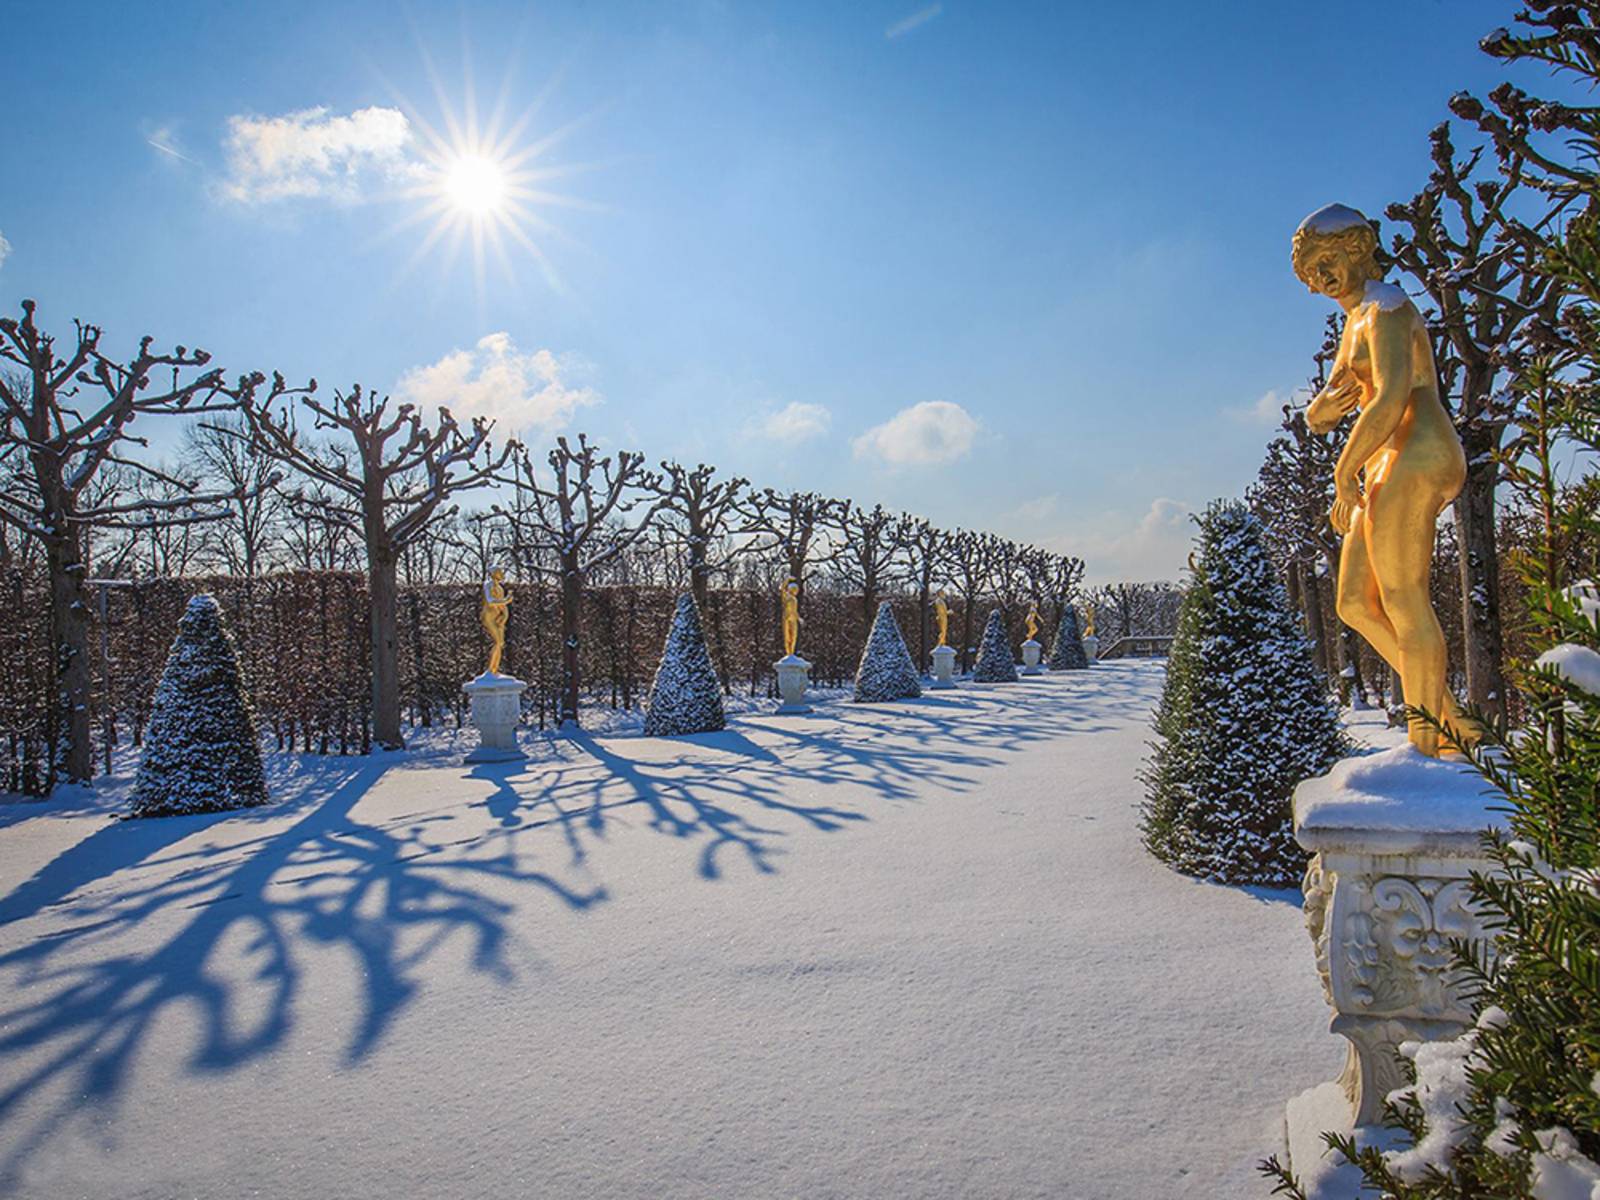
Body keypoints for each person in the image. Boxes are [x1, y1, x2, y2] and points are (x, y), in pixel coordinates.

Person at [1294, 204, 1470, 756]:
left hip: (1415, 450)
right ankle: (1451, 719)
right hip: (1384, 459)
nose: (1322, 278)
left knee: (1403, 598)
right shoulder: (1356, 323)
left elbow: (1392, 397)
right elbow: (1333, 407)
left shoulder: (1388, 311)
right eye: (1311, 271)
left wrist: (1344, 471)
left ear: (1359, 247)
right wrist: (1317, 414)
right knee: (1352, 602)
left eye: (1328, 260)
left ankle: (1426, 745)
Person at [481, 568, 511, 675]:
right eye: (500, 572)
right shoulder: (487, 585)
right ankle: (490, 669)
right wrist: (506, 600)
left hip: (499, 618)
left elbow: (503, 606)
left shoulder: (500, 588)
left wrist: (505, 616)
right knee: (497, 642)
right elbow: (490, 601)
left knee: (500, 643)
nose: (502, 574)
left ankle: (494, 669)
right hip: (489, 616)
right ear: (494, 574)